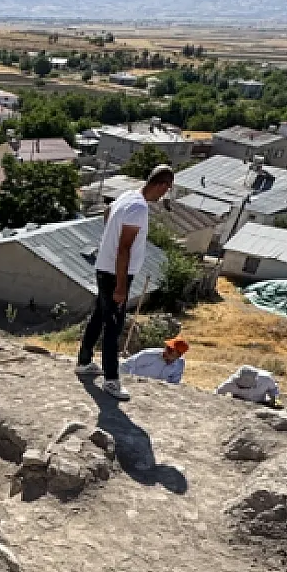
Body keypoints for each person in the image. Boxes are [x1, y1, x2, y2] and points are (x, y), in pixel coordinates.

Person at [75, 165, 175, 400]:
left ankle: (84, 361)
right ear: (160, 185)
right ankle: (111, 379)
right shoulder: (138, 208)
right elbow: (124, 248)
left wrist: (110, 234)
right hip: (115, 273)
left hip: (105, 267)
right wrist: (121, 286)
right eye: (166, 189)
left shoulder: (128, 196)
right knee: (114, 325)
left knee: (99, 315)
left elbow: (108, 212)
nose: (164, 195)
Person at [120, 336, 189, 384]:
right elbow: (125, 366)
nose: (166, 350)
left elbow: (174, 382)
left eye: (170, 350)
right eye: (167, 347)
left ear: (178, 355)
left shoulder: (180, 364)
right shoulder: (148, 355)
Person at [215, 364, 280, 405]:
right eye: (241, 386)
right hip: (239, 403)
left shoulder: (266, 379)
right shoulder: (231, 383)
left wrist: (273, 399)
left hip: (260, 403)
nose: (243, 388)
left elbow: (273, 389)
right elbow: (218, 393)